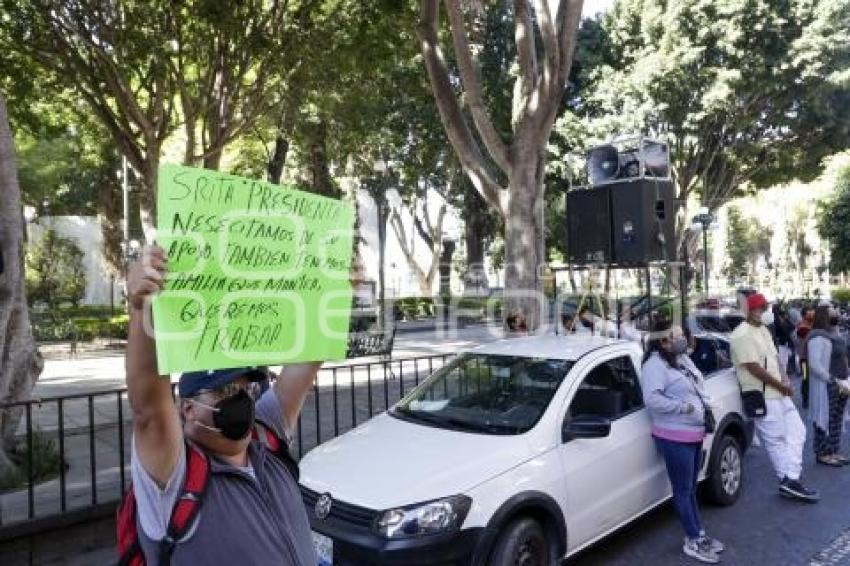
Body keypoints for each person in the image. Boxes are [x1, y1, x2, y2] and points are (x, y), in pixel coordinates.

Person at [122, 245, 324, 564]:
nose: (242, 399)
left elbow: (310, 359)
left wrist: (334, 287)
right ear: (187, 409)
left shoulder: (265, 437)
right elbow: (148, 408)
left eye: (247, 388)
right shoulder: (174, 476)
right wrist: (141, 308)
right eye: (226, 389)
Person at [641, 320, 724, 564]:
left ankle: (699, 533)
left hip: (694, 432)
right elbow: (652, 400)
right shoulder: (654, 366)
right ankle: (692, 539)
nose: (681, 339)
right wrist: (684, 408)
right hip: (673, 435)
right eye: (674, 336)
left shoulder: (680, 359)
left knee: (691, 487)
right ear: (662, 341)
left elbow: (697, 383)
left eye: (680, 334)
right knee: (683, 490)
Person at [730, 292, 819, 503]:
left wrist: (786, 379)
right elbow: (753, 368)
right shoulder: (741, 335)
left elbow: (775, 359)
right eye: (759, 308)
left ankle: (791, 478)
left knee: (798, 430)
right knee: (776, 440)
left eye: (764, 308)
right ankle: (787, 479)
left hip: (778, 392)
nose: (763, 312)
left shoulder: (763, 330)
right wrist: (781, 384)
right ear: (749, 311)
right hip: (762, 396)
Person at [805, 304, 850, 466]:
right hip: (829, 384)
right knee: (824, 419)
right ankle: (823, 453)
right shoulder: (817, 337)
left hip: (842, 382)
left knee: (837, 419)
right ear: (824, 317)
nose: (836, 316)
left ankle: (833, 450)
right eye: (833, 314)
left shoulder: (834, 335)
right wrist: (830, 379)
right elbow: (814, 364)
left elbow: (843, 356)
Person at [797, 306, 815, 408]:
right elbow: (807, 334)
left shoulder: (810, 325)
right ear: (804, 316)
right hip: (804, 359)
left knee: (810, 379)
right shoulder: (802, 327)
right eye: (809, 314)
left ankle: (809, 398)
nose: (811, 315)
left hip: (811, 358)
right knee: (805, 378)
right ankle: (805, 399)